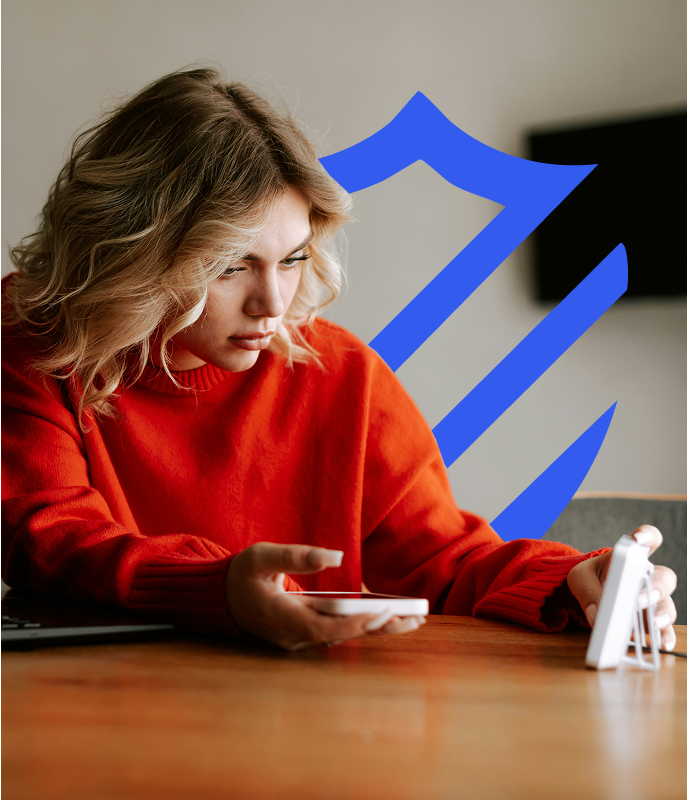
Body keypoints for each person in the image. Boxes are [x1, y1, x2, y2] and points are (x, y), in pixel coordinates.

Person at [1, 67, 677, 652]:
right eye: (230, 265)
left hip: (310, 718)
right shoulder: (31, 339)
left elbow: (445, 561)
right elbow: (50, 538)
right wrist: (217, 588)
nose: (272, 303)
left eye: (292, 259)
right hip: (95, 710)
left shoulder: (343, 373)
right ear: (132, 252)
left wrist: (570, 580)